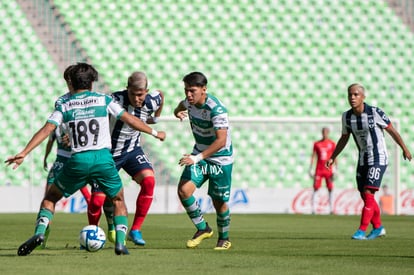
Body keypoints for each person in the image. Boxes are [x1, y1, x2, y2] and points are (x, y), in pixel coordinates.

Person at [5, 63, 166, 256]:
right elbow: (130, 119)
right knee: (118, 199)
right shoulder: (104, 99)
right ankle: (121, 243)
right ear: (91, 83)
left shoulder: (64, 103)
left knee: (50, 198)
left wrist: (25, 152)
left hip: (78, 160)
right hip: (104, 160)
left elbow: (48, 128)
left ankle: (40, 233)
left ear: (71, 83)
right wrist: (155, 132)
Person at [326, 83, 411, 240]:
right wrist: (333, 156)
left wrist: (404, 148)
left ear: (363, 97)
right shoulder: (346, 117)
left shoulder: (374, 112)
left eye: (356, 94)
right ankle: (378, 227)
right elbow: (344, 137)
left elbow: (392, 130)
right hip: (363, 158)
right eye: (350, 94)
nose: (352, 97)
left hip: (379, 157)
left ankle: (361, 230)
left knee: (368, 192)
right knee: (365, 196)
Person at [87, 71, 164, 246]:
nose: (138, 99)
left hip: (132, 151)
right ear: (127, 89)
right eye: (134, 94)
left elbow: (161, 95)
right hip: (108, 154)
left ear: (146, 90)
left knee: (149, 181)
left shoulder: (150, 101)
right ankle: (94, 233)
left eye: (141, 94)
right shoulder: (114, 100)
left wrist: (155, 118)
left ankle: (135, 230)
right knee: (98, 199)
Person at [174, 72, 233, 250]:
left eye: (192, 91)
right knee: (184, 190)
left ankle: (224, 239)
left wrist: (196, 158)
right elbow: (179, 106)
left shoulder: (217, 110)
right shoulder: (188, 103)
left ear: (204, 90)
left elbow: (221, 141)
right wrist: (177, 113)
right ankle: (203, 228)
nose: (188, 95)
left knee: (218, 202)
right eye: (186, 90)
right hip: (200, 156)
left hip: (220, 160)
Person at [39, 65, 91, 249]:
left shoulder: (89, 99)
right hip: (66, 156)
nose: (69, 82)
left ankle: (101, 229)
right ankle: (42, 234)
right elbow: (54, 133)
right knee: (49, 195)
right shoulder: (61, 101)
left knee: (97, 196)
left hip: (82, 155)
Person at [309, 127, 336, 214]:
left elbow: (335, 156)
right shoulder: (317, 144)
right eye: (323, 132)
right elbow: (313, 156)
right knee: (316, 188)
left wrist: (336, 168)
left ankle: (331, 209)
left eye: (326, 132)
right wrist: (311, 168)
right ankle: (314, 209)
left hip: (329, 169)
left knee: (330, 188)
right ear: (322, 133)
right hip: (319, 169)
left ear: (328, 133)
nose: (324, 134)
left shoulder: (332, 144)